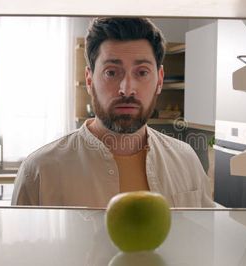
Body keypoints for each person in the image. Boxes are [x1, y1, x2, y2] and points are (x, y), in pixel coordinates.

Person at [11, 17, 215, 207]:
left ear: (159, 80)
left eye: (142, 72)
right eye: (111, 72)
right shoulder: (39, 172)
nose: (127, 89)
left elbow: (203, 239)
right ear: (89, 80)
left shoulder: (186, 160)